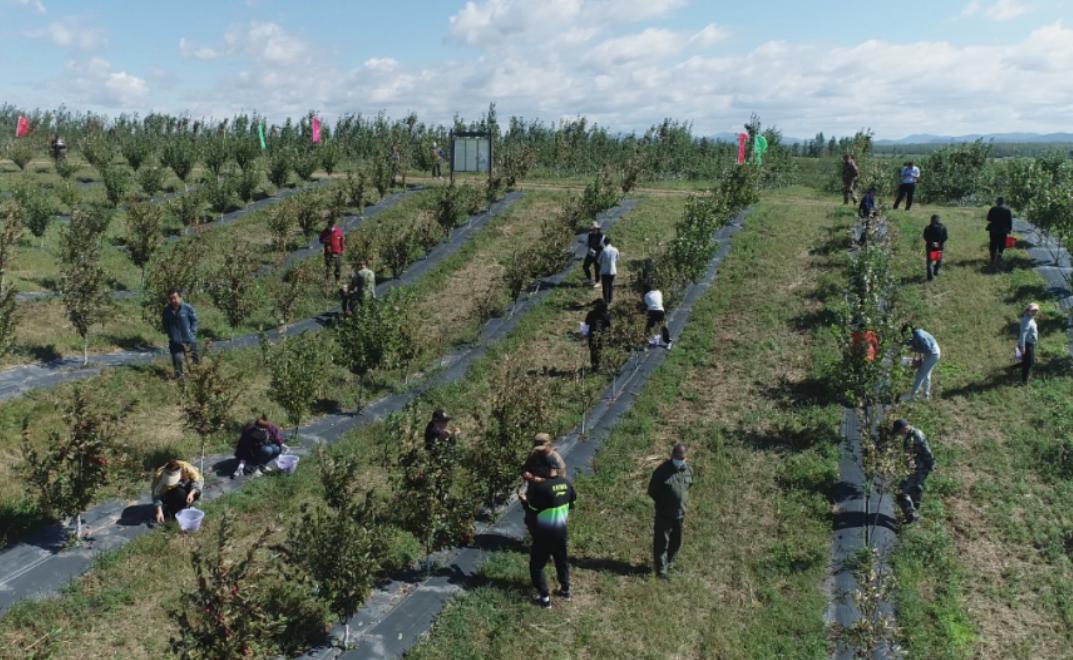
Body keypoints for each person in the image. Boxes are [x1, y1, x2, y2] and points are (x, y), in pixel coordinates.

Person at [523, 464, 577, 607]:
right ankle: (565, 591)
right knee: (561, 561)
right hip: (561, 531)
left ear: (545, 470)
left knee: (537, 565)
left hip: (544, 534)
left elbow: (532, 509)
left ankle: (545, 599)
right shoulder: (566, 483)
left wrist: (523, 500)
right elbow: (572, 503)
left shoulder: (542, 488)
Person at [648, 444, 692, 580]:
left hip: (680, 514)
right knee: (662, 542)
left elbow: (689, 485)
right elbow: (652, 491)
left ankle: (668, 563)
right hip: (664, 513)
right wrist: (663, 503)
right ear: (672, 455)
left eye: (682, 458)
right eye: (678, 457)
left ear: (686, 457)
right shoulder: (662, 471)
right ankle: (660, 571)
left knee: (677, 540)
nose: (680, 460)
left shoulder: (688, 470)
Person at [891, 419, 934, 524]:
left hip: (920, 468)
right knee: (915, 487)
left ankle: (911, 514)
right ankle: (915, 506)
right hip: (917, 467)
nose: (899, 434)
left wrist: (931, 464)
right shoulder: (911, 435)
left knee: (901, 490)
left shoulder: (916, 436)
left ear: (903, 428)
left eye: (899, 431)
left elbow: (927, 451)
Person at [151, 459, 204, 524]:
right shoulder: (159, 478)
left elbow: (198, 480)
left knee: (195, 491)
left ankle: (192, 504)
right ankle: (173, 507)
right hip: (171, 492)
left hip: (186, 485)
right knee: (179, 494)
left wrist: (192, 493)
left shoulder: (186, 468)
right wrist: (159, 511)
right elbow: (156, 495)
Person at [162, 290, 199, 377]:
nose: (173, 301)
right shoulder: (167, 311)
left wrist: (192, 332)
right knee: (177, 360)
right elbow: (165, 323)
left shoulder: (187, 308)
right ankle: (180, 379)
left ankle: (196, 377)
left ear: (180, 298)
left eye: (175, 298)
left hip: (189, 339)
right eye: (171, 299)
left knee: (193, 360)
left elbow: (194, 321)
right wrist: (170, 333)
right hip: (175, 340)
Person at [902, 324, 941, 400]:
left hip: (933, 354)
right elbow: (912, 342)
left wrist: (915, 349)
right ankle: (926, 396)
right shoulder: (916, 333)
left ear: (908, 332)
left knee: (920, 374)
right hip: (933, 353)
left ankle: (912, 395)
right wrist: (903, 343)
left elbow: (928, 349)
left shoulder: (919, 335)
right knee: (926, 375)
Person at [583, 298, 611, 371]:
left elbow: (586, 323)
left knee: (593, 350)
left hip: (592, 334)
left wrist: (584, 333)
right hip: (602, 334)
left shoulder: (591, 313)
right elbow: (608, 325)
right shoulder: (606, 315)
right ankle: (598, 364)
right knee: (599, 349)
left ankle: (594, 365)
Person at [986, 197, 1014, 268]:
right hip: (1003, 230)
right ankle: (999, 254)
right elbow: (1009, 221)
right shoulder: (1007, 210)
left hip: (993, 229)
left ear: (997, 202)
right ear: (1003, 202)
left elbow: (988, 218)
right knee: (1002, 243)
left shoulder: (993, 209)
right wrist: (1009, 229)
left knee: (993, 243)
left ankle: (992, 257)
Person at [319, 212, 345, 284]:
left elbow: (342, 240)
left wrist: (342, 249)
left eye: (332, 226)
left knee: (338, 267)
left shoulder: (338, 231)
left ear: (334, 225)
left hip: (337, 252)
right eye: (329, 226)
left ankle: (337, 280)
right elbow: (321, 240)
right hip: (328, 252)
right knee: (328, 267)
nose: (330, 227)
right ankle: (327, 281)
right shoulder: (325, 232)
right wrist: (327, 240)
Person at [1017, 302, 1040, 385]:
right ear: (1028, 310)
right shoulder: (1026, 321)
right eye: (1033, 310)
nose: (1035, 312)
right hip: (1027, 344)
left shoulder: (1030, 318)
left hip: (1030, 343)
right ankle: (1024, 381)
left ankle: (1014, 368)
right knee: (1028, 364)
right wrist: (1022, 347)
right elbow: (1023, 334)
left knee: (1028, 361)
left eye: (1036, 310)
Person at [923, 214, 948, 281]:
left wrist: (932, 243)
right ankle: (936, 272)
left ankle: (930, 277)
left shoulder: (928, 228)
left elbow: (925, 237)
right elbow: (945, 237)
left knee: (930, 261)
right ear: (938, 220)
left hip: (930, 246)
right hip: (939, 246)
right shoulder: (942, 227)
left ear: (931, 220)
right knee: (938, 260)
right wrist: (938, 243)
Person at [597, 235, 619, 304]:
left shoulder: (604, 250)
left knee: (605, 286)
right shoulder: (615, 249)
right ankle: (610, 299)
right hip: (613, 270)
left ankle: (606, 300)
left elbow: (598, 260)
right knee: (610, 285)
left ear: (604, 243)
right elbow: (617, 258)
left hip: (604, 271)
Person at [582, 222, 605, 288]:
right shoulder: (589, 235)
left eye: (595, 229)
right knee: (585, 266)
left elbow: (603, 246)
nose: (593, 230)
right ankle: (589, 279)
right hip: (590, 253)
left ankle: (598, 282)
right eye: (592, 229)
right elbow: (586, 243)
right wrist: (590, 249)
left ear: (598, 229)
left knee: (597, 268)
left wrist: (597, 252)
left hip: (598, 254)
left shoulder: (602, 236)